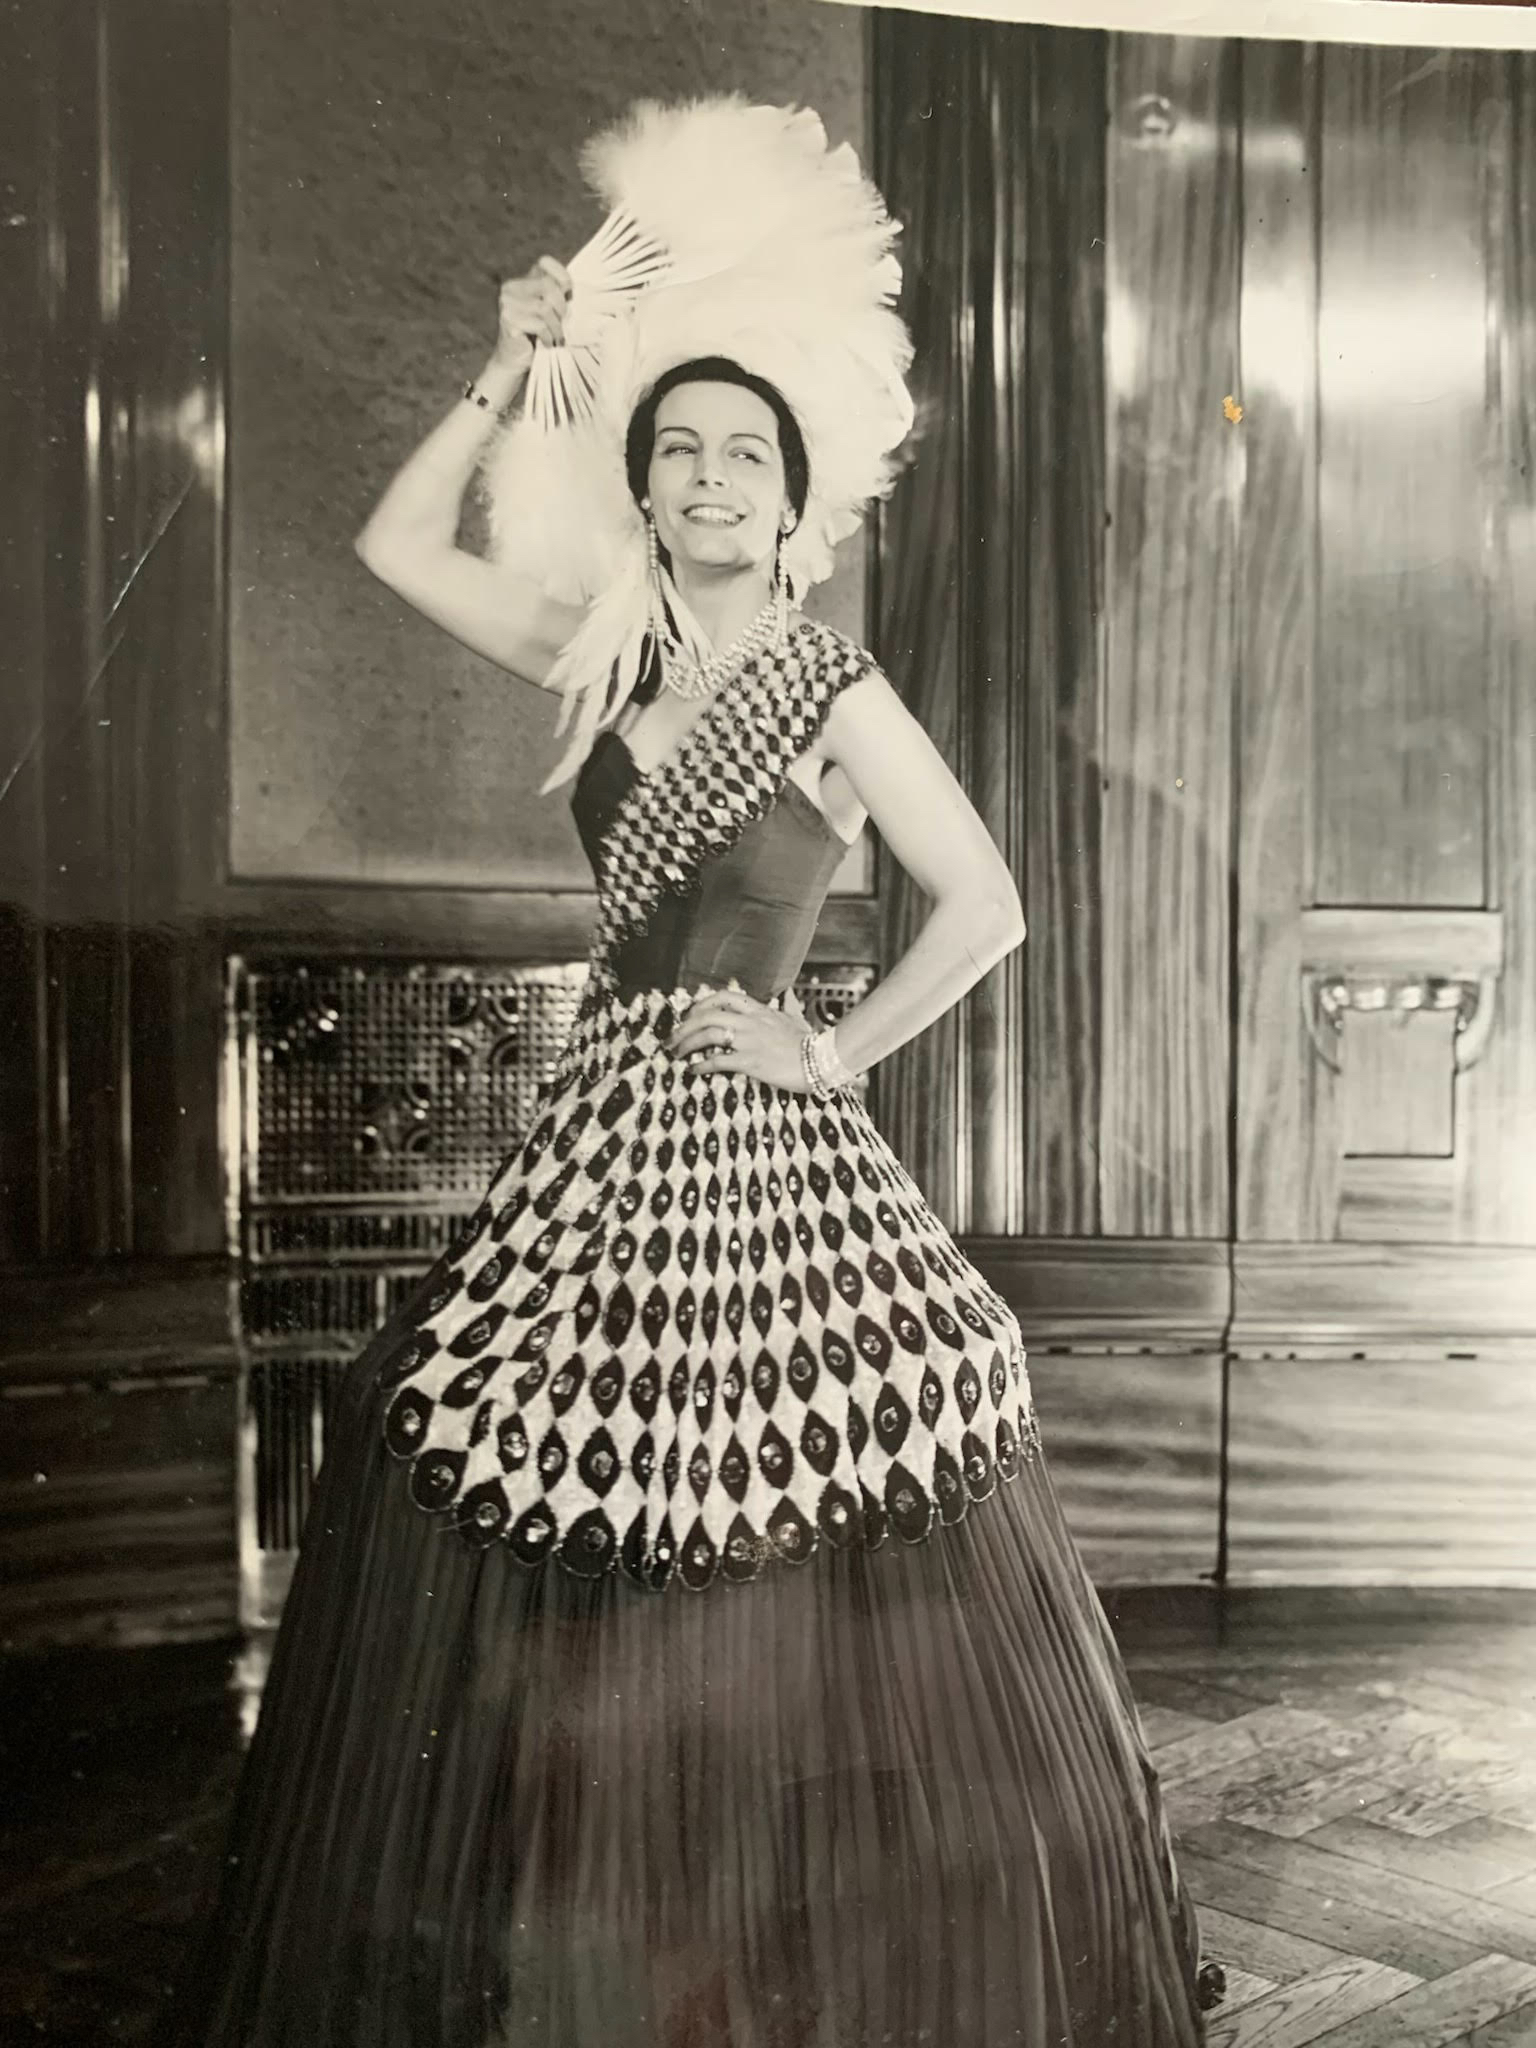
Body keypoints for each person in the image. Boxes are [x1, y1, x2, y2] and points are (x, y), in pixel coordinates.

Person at [159, 100, 1224, 2048]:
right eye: (679, 449)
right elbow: (394, 543)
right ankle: (614, 1943)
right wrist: (507, 370)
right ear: (643, 486)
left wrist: (829, 1050)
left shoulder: (832, 686)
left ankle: (804, 1951)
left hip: (765, 1144)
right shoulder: (595, 655)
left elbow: (987, 904)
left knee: (783, 1492)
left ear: (793, 501)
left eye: (745, 453)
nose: (711, 475)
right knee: (505, 1454)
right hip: (599, 1137)